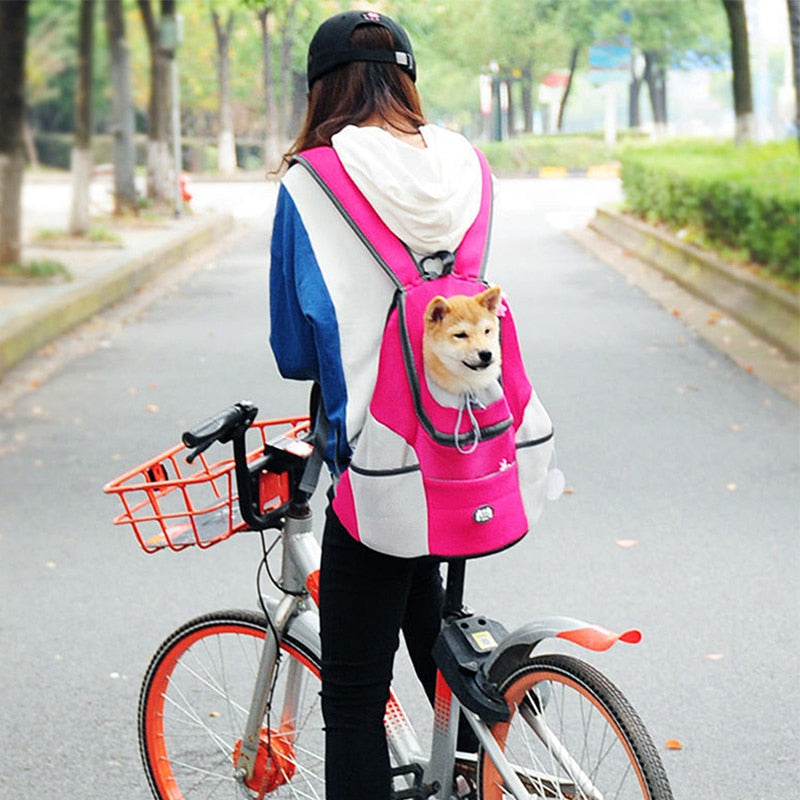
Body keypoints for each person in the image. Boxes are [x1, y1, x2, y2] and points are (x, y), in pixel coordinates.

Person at [269, 11, 485, 799]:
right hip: (465, 446)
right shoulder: (466, 166)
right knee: (434, 638)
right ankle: (473, 775)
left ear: (322, 89)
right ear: (407, 79)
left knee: (354, 699)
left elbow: (295, 351)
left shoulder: (310, 179)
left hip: (379, 458)